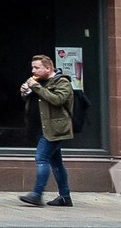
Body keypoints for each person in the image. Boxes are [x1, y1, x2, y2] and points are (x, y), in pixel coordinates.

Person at [19, 53, 76, 207]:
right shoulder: (39, 82)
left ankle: (37, 195)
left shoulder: (62, 82)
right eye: (32, 67)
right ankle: (65, 197)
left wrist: (35, 87)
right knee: (56, 163)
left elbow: (57, 100)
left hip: (55, 129)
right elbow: (36, 101)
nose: (33, 71)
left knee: (41, 158)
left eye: (37, 67)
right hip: (41, 128)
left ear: (48, 68)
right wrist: (26, 92)